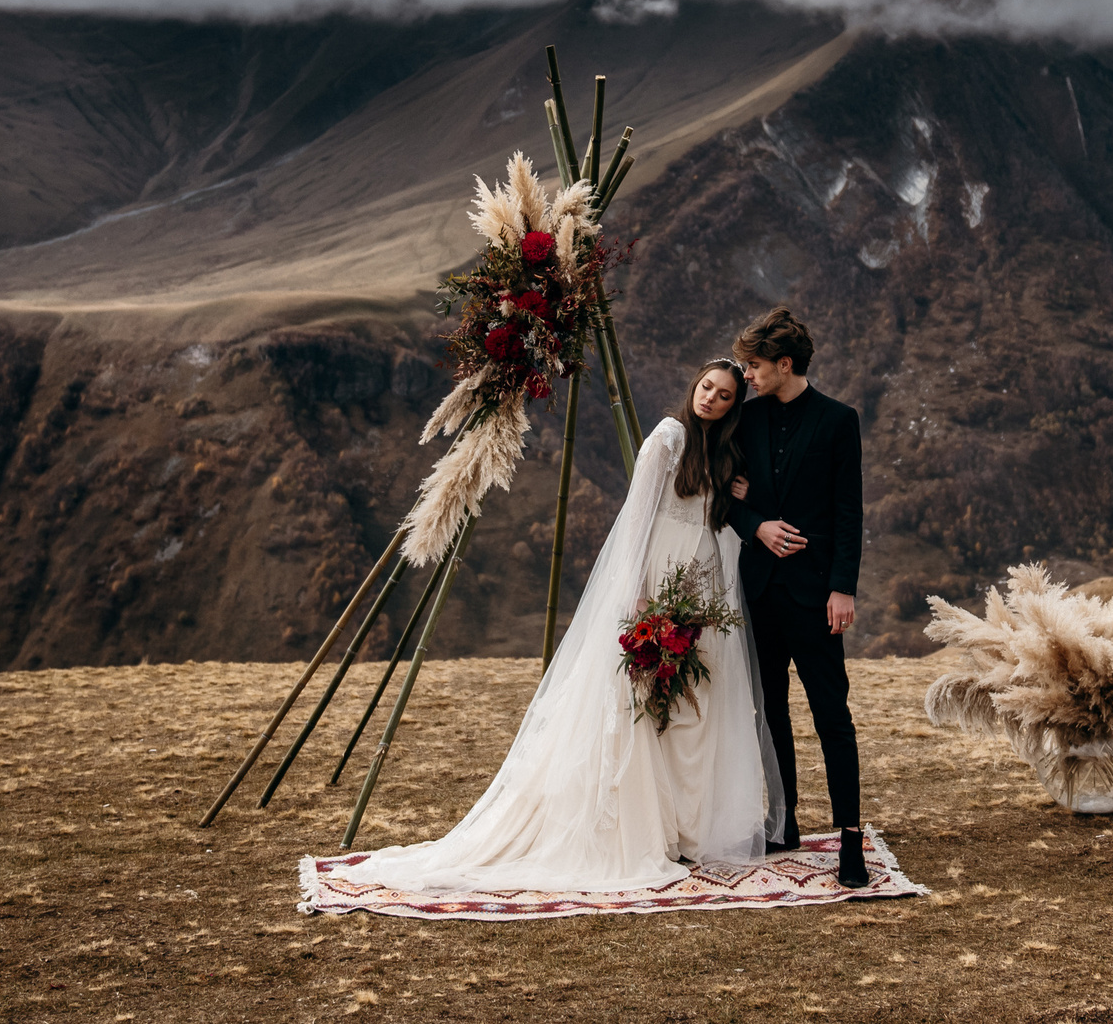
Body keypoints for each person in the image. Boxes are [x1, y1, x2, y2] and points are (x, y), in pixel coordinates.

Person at [343, 360, 784, 894]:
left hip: (703, 583)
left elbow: (717, 518)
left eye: (724, 395)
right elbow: (638, 516)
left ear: (735, 406)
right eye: (707, 387)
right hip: (660, 574)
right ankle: (651, 826)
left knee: (696, 701)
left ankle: (690, 827)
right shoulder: (668, 438)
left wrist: (736, 497)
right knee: (645, 698)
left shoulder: (723, 452)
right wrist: (636, 590)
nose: (710, 398)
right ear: (695, 386)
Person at [724, 305, 871, 890]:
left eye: (755, 366)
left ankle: (850, 838)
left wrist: (843, 588)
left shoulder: (839, 420)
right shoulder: (745, 418)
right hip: (758, 592)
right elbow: (724, 496)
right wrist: (754, 524)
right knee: (770, 713)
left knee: (832, 716)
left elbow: (848, 510)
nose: (748, 375)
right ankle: (783, 823)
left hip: (816, 596)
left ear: (784, 364)